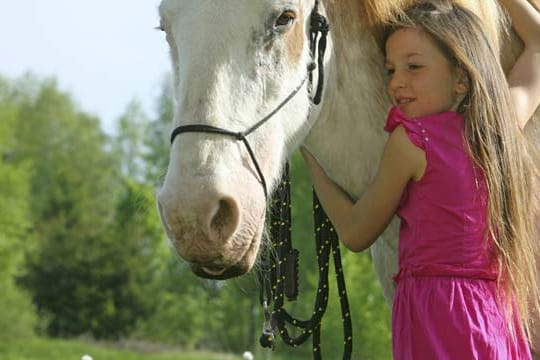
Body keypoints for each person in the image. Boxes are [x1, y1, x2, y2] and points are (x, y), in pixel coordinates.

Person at [301, 0, 540, 358]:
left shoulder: (413, 142)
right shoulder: (500, 130)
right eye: (390, 70)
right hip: (495, 315)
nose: (397, 83)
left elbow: (355, 231)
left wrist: (309, 151)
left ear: (461, 77)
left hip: (439, 315)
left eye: (414, 67)